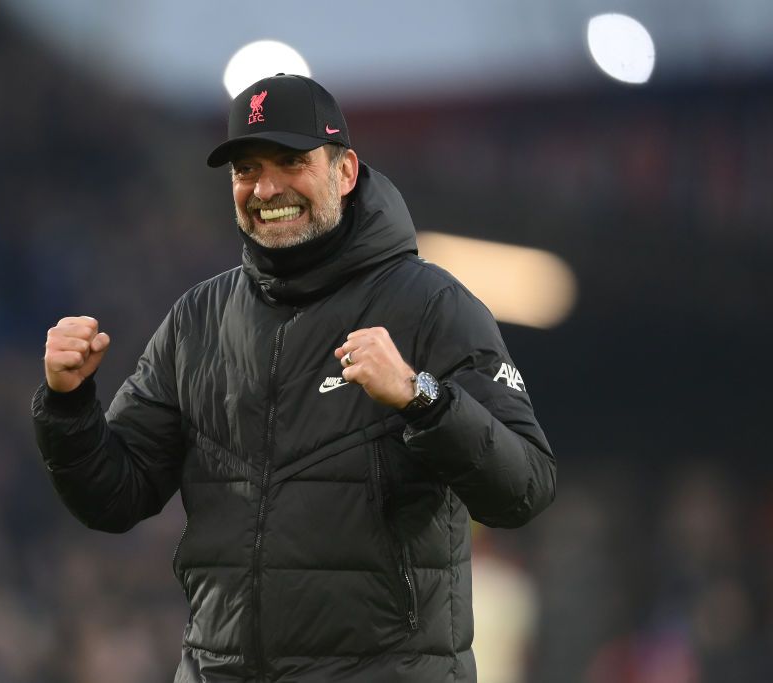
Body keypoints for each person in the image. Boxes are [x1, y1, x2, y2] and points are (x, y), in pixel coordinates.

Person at [32, 73, 556, 683]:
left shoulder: (432, 305)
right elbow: (113, 496)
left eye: (290, 161)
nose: (267, 187)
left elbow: (525, 486)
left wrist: (422, 398)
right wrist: (69, 405)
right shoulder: (197, 321)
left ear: (346, 171)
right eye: (246, 169)